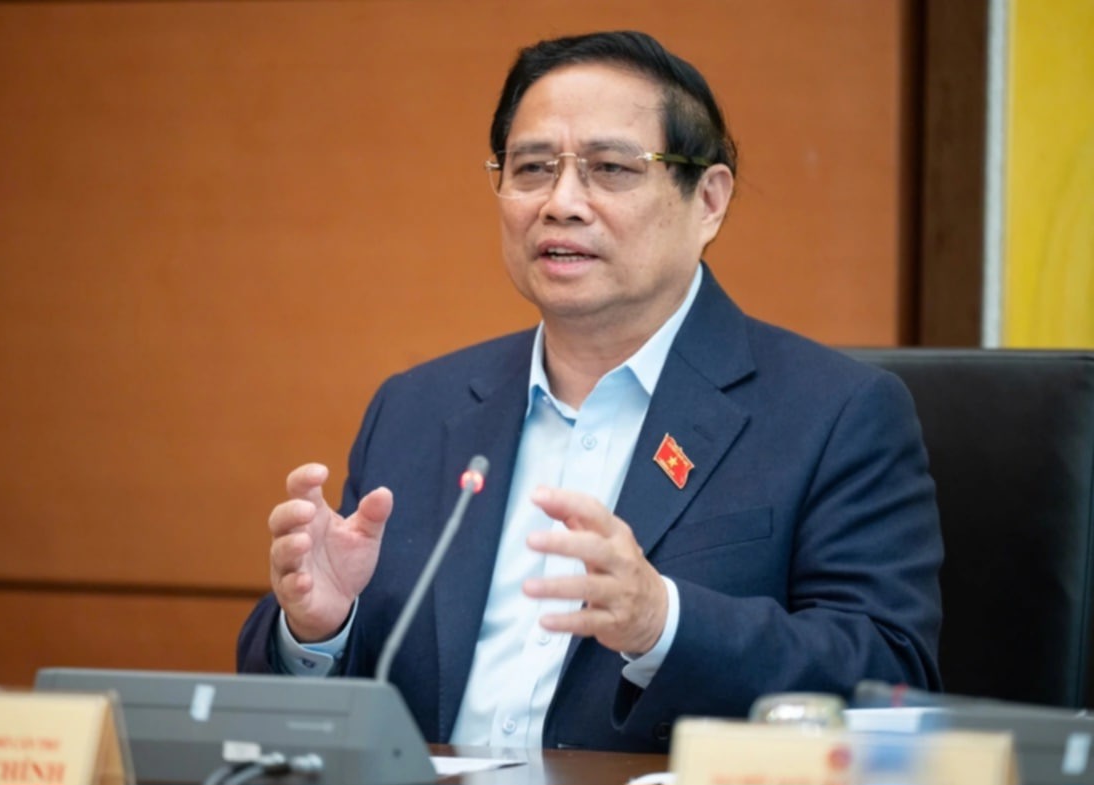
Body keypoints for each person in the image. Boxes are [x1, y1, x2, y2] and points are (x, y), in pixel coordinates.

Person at [237, 30, 943, 753]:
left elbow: (887, 674)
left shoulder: (834, 414)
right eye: (532, 168)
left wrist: (663, 621)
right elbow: (320, 714)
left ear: (708, 199)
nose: (562, 203)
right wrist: (319, 630)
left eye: (610, 168)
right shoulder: (418, 408)